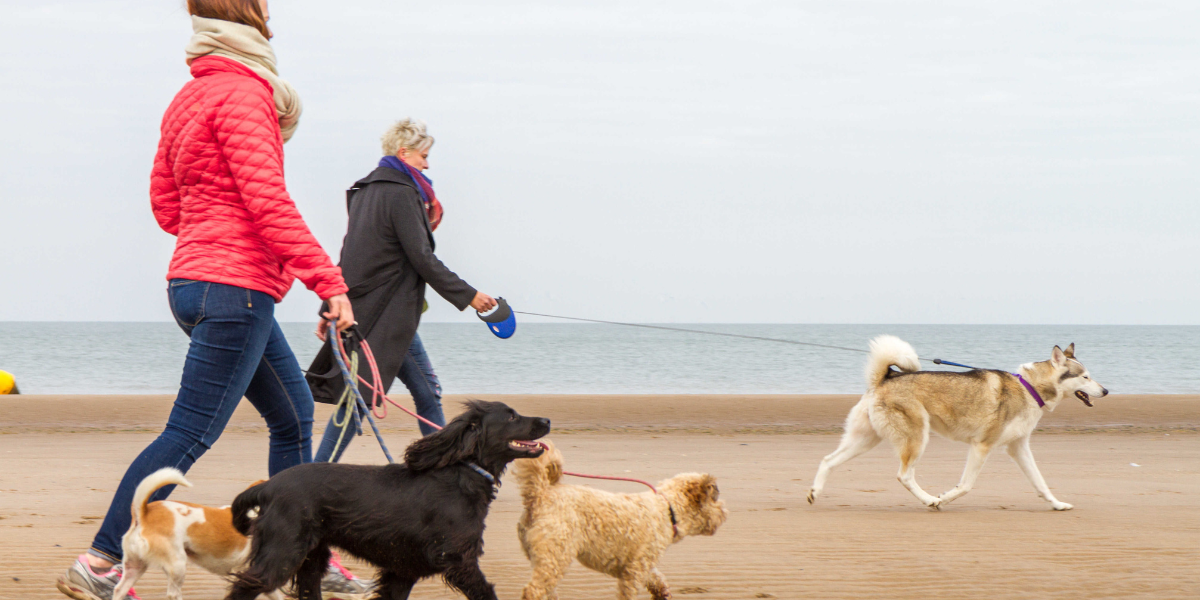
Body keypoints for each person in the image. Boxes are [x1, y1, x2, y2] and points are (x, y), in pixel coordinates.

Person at [55, 2, 364, 599]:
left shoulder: (187, 99)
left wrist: (211, 231)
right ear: (249, 14)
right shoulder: (246, 96)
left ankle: (302, 560)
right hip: (234, 289)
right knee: (190, 432)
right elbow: (268, 202)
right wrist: (328, 281)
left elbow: (166, 206)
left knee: (294, 414)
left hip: (195, 284)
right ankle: (100, 561)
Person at [307, 119, 497, 459]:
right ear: (403, 152)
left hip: (374, 311)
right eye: (424, 155)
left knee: (425, 390)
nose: (428, 163)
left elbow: (348, 254)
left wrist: (329, 305)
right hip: (384, 314)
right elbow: (422, 258)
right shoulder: (402, 192)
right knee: (360, 400)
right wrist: (470, 296)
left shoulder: (364, 191)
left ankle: (443, 465)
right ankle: (312, 473)